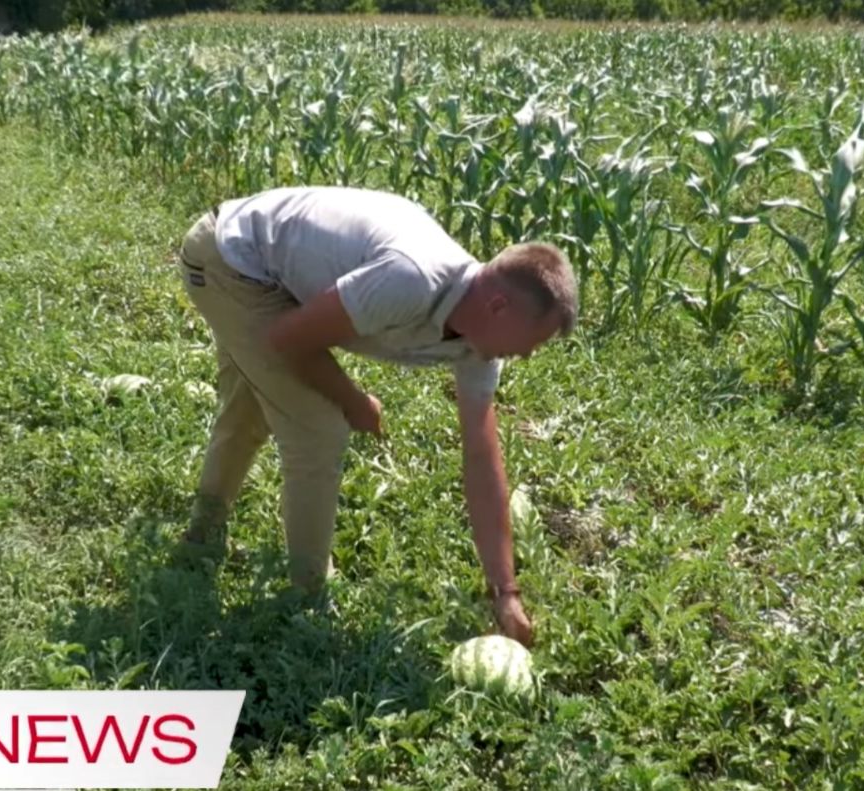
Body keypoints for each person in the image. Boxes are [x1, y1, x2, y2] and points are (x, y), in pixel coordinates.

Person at [173, 186, 577, 647]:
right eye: (533, 340)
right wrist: (353, 401)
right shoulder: (411, 279)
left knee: (255, 403)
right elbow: (287, 340)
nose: (527, 354)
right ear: (499, 306)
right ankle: (308, 599)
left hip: (270, 270)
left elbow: (482, 459)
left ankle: (200, 538)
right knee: (318, 428)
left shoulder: (479, 343)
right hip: (231, 262)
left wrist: (506, 592)